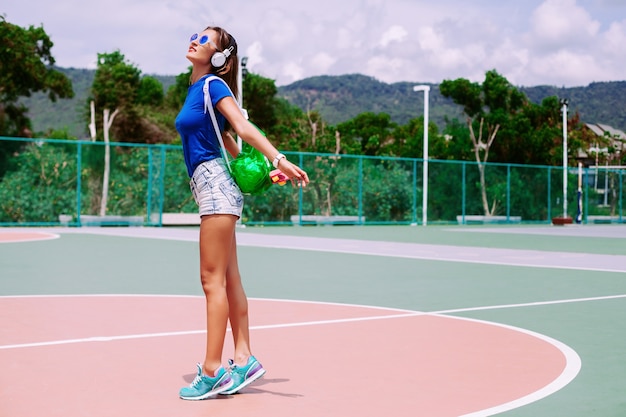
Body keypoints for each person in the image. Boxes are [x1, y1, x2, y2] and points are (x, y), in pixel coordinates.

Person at [175, 26, 309, 401]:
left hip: (215, 190)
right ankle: (244, 357)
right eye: (194, 35)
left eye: (205, 40)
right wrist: (266, 172)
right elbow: (231, 144)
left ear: (220, 57)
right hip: (213, 188)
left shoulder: (215, 86)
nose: (194, 41)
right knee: (229, 279)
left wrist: (278, 157)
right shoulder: (196, 90)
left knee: (211, 280)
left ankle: (213, 369)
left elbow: (243, 127)